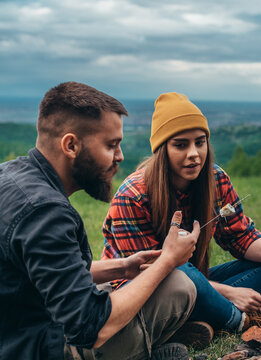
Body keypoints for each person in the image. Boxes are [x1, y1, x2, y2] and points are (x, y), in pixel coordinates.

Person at [0, 82, 200, 360]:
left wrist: (122, 267)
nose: (120, 156)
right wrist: (167, 259)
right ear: (71, 145)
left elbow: (50, 275)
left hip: (23, 324)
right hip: (36, 346)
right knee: (178, 288)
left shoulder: (10, 176)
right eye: (111, 145)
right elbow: (91, 326)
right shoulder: (45, 214)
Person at [101, 92, 261, 337]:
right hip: (145, 295)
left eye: (200, 142)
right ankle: (240, 322)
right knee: (180, 269)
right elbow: (152, 272)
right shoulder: (132, 195)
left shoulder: (216, 179)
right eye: (180, 145)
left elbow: (240, 237)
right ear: (161, 149)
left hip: (196, 282)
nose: (194, 154)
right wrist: (229, 293)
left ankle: (196, 320)